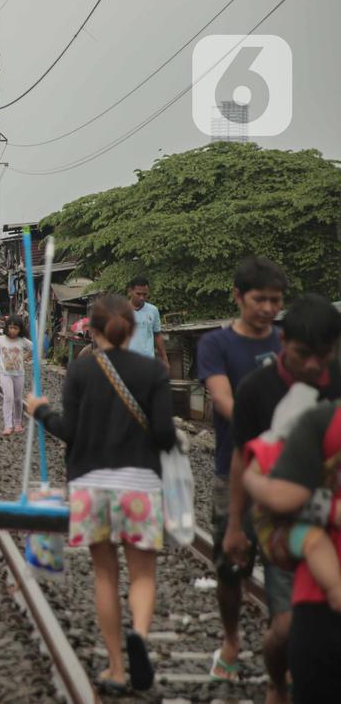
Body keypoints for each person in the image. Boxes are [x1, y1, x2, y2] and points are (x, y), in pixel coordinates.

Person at [26, 295, 178, 693]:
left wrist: (40, 411)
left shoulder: (80, 371)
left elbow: (69, 431)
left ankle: (115, 668)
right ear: (133, 328)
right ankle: (140, 637)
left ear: (90, 330)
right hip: (141, 486)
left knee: (105, 575)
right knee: (143, 574)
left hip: (90, 486)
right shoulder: (153, 372)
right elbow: (164, 435)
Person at [227, 294, 341, 703]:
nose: (313, 365)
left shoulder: (337, 378)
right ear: (282, 342)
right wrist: (235, 526)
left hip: (324, 520)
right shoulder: (257, 389)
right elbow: (244, 458)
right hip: (280, 521)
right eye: (302, 354)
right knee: (286, 626)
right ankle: (277, 678)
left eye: (323, 355)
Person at [196, 257, 288, 683]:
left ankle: (283, 649)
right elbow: (223, 399)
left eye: (275, 300)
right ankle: (231, 640)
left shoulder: (289, 343)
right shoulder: (216, 345)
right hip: (232, 469)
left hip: (287, 473)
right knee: (231, 565)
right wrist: (265, 429)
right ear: (238, 297)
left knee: (284, 564)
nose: (268, 308)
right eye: (259, 300)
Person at [243, 398, 341, 702]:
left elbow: (279, 496)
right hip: (316, 605)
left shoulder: (283, 446)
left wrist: (249, 480)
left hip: (317, 604)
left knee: (312, 542)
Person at [0, 315, 33, 436]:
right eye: (10, 327)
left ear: (20, 329)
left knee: (17, 399)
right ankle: (8, 425)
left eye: (15, 328)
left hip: (19, 373)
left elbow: (33, 348)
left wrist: (25, 357)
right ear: (7, 328)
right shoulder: (0, 340)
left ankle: (17, 422)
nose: (12, 330)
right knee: (8, 397)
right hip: (5, 373)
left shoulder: (22, 341)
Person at [127, 277, 169, 368]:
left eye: (145, 294)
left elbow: (157, 335)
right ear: (130, 291)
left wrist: (165, 359)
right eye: (138, 294)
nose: (142, 298)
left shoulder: (153, 310)